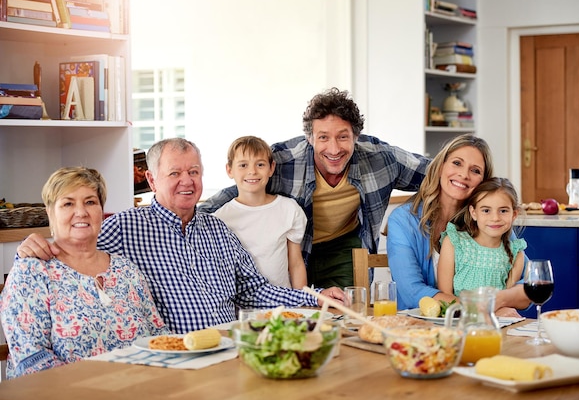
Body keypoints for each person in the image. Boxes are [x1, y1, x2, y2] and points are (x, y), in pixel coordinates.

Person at [16, 138, 345, 334]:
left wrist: (315, 298)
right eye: (175, 173)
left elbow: (254, 290)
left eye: (194, 172)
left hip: (229, 350)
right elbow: (74, 251)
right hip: (171, 358)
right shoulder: (123, 228)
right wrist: (32, 247)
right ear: (152, 179)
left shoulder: (217, 229)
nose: (187, 181)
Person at [200, 88, 431, 288]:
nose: (333, 149)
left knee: (341, 314)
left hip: (343, 245)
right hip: (292, 248)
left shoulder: (381, 159)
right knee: (297, 318)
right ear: (309, 138)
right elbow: (231, 195)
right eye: (323, 137)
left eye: (343, 137)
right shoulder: (282, 161)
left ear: (356, 136)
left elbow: (439, 174)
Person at [0, 167, 168, 379]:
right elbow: (31, 359)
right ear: (50, 213)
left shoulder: (126, 270)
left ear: (101, 211)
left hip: (140, 389)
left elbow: (159, 336)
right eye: (68, 203)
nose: (81, 212)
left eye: (90, 202)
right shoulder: (31, 272)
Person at [386, 134, 530, 316]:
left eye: (475, 171)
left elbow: (529, 286)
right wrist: (479, 309)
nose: (464, 175)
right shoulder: (403, 220)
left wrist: (499, 302)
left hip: (480, 327)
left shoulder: (489, 221)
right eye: (457, 163)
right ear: (440, 167)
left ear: (483, 183)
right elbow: (411, 292)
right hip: (418, 327)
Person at [214, 136, 307, 288]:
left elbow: (295, 264)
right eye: (243, 165)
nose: (252, 171)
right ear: (229, 170)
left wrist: (302, 306)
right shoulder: (220, 219)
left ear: (271, 168)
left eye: (260, 164)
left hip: (283, 305)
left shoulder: (289, 209)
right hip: (242, 308)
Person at [437, 177, 527, 296]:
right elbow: (445, 295)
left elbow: (506, 300)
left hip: (495, 314)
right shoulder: (454, 242)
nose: (495, 218)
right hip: (458, 314)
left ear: (514, 214)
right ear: (474, 213)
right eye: (486, 211)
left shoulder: (516, 254)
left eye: (503, 211)